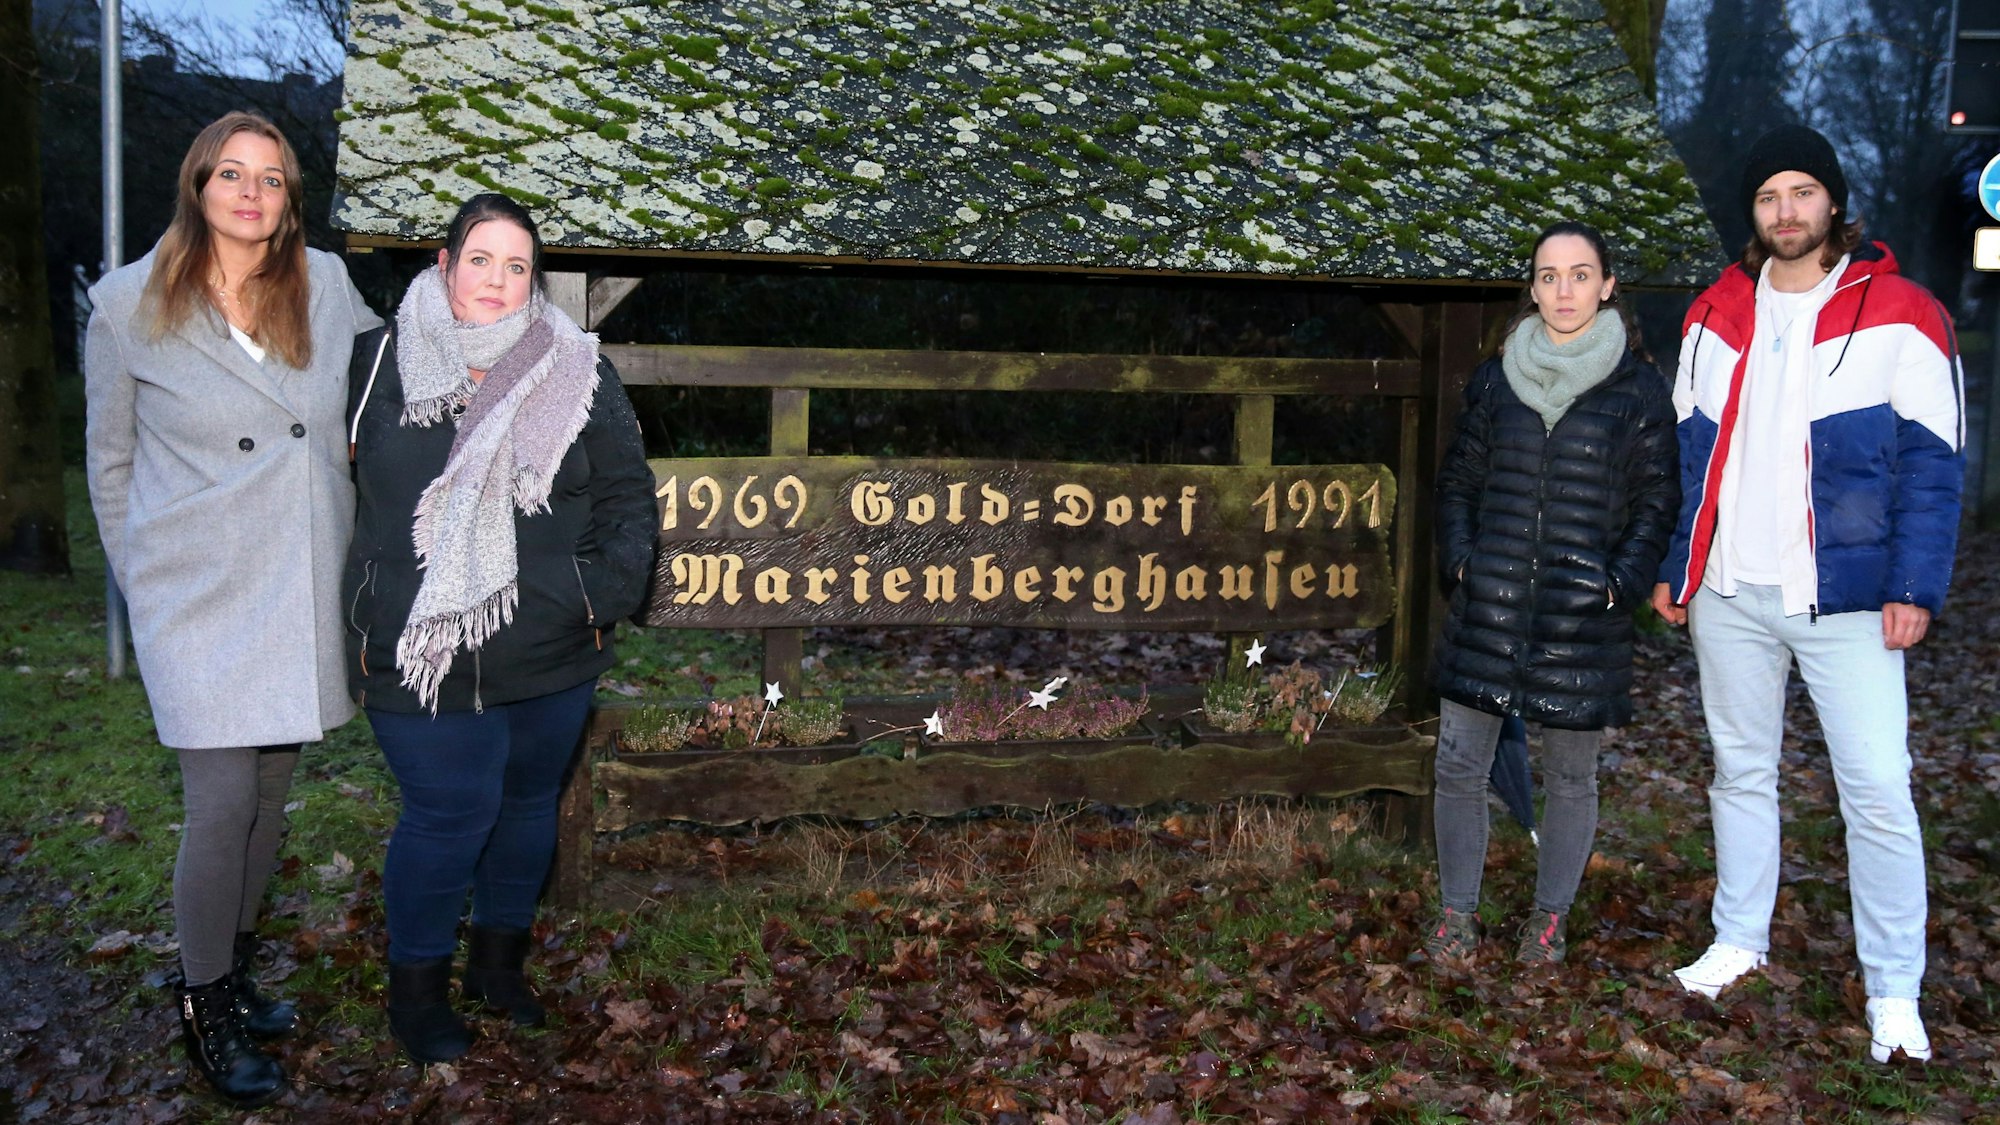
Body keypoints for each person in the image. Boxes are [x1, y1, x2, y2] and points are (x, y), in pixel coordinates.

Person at [83, 111, 383, 1107]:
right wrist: (146, 581)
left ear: (290, 198)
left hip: (299, 574)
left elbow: (394, 384)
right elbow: (111, 463)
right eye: (233, 174)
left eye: (274, 178)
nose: (253, 193)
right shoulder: (128, 304)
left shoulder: (327, 284)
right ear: (198, 184)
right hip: (196, 591)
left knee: (264, 799)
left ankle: (236, 964)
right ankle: (202, 998)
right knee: (218, 804)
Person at [1652, 125, 1963, 1064]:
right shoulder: (1713, 315)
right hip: (1729, 591)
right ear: (1751, 215)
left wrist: (1915, 584)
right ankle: (1739, 938)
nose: (1786, 212)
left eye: (1802, 192)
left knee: (1875, 790)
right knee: (1739, 770)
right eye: (1767, 198)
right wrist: (1682, 562)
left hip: (1854, 598)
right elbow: (1690, 456)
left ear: (1832, 200)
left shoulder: (1905, 311)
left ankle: (1895, 989)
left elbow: (1936, 463)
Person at [344, 193, 657, 1062]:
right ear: (445, 265)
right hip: (421, 646)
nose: (497, 279)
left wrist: (593, 593)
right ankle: (416, 990)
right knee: (450, 808)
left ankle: (498, 966)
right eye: (480, 258)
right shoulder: (376, 363)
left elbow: (630, 496)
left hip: (551, 641)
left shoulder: (577, 367)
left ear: (534, 281)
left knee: (525, 806)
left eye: (516, 266)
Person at [1426, 220, 1679, 964]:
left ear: (1606, 285)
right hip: (1489, 607)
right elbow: (1459, 481)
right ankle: (1456, 914)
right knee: (1458, 765)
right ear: (1531, 288)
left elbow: (1657, 498)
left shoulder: (1636, 389)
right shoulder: (1496, 376)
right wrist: (1465, 562)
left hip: (1580, 616)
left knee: (1571, 773)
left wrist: (1619, 584)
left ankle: (1548, 918)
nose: (1562, 290)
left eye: (1578, 274)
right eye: (1547, 275)